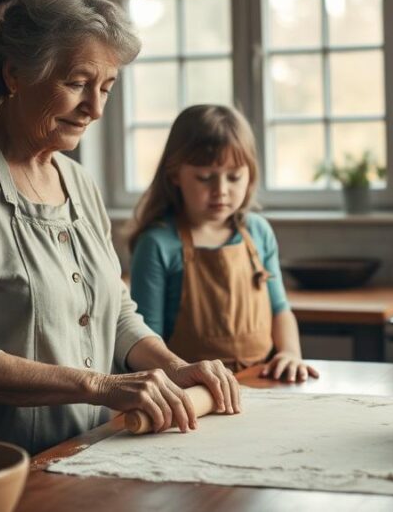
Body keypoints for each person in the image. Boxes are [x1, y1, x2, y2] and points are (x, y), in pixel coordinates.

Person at [0, 0, 240, 454]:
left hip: (76, 448)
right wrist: (98, 386)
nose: (94, 108)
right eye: (77, 83)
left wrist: (174, 366)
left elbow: (116, 313)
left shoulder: (77, 182)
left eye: (107, 88)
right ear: (15, 74)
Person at [127, 104, 320, 382]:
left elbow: (279, 309)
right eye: (205, 177)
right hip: (191, 389)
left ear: (250, 174)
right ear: (174, 175)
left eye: (234, 177)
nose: (221, 190)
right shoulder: (157, 244)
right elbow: (146, 338)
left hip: (262, 380)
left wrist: (290, 353)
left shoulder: (258, 232)